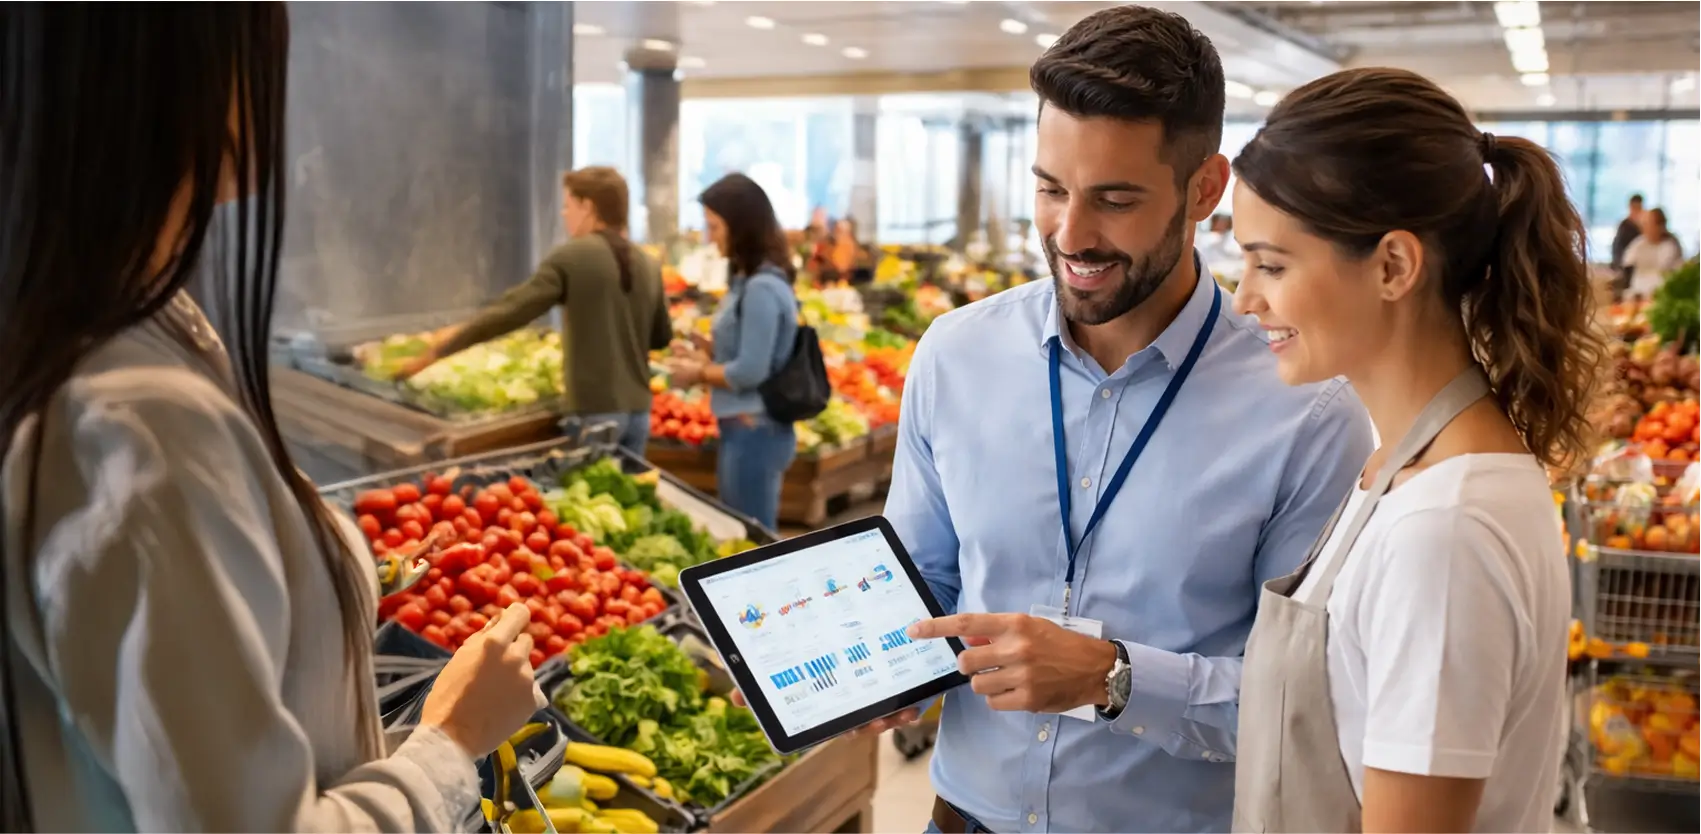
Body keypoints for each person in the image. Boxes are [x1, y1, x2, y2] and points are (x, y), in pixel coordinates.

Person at [0, 5, 542, 830]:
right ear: (180, 79)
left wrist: (356, 568)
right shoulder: (139, 417)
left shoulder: (107, 333)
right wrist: (451, 740)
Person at [887, 7, 1373, 832]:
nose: (1070, 234)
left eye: (1114, 200)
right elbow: (920, 581)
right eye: (1048, 189)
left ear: (1205, 190)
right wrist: (877, 667)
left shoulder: (1308, 409)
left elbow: (1312, 703)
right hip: (961, 818)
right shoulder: (953, 356)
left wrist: (1114, 677)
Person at [1228, 67, 1601, 833]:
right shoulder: (1400, 466)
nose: (1244, 297)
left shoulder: (1444, 529)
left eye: (1271, 264)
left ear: (1393, 266)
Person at [397, 166, 671, 455]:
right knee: (629, 495)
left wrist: (437, 351)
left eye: (568, 206)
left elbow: (512, 311)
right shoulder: (648, 264)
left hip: (597, 412)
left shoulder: (572, 256)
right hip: (639, 414)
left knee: (588, 493)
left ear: (588, 207)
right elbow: (661, 337)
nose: (565, 215)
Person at [666, 174, 801, 530]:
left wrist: (696, 373)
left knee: (751, 539)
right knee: (745, 531)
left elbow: (750, 370)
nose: (709, 237)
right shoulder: (750, 280)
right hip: (746, 427)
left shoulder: (761, 288)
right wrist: (707, 350)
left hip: (755, 428)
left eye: (714, 226)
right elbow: (750, 351)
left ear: (740, 226)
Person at [1622, 207, 1685, 298]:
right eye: (1643, 224)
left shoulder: (1671, 246)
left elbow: (1674, 274)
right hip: (1638, 293)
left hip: (1662, 294)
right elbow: (1627, 264)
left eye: (1649, 224)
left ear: (1660, 226)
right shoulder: (1638, 244)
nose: (1644, 228)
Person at [1610, 193, 1645, 291]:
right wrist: (1619, 266)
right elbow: (1617, 247)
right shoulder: (1624, 226)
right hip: (1626, 266)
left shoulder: (1644, 226)